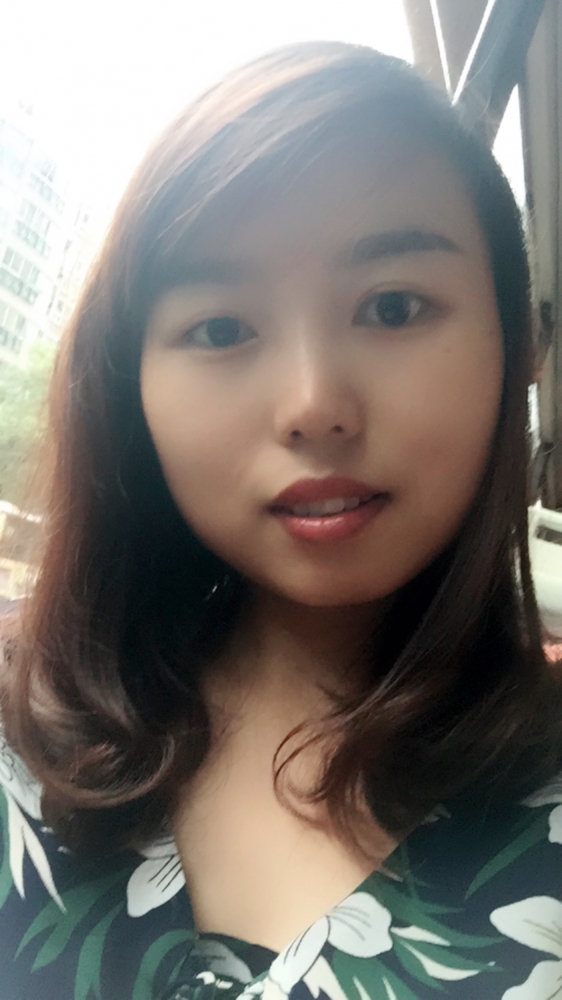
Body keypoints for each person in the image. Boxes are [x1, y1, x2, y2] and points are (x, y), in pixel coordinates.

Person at [0, 41, 561, 1000]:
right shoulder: (22, 726)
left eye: (394, 307)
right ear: (130, 383)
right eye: (222, 329)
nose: (312, 405)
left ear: (521, 346)